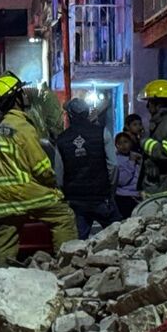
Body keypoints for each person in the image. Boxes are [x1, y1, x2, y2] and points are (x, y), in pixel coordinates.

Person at [0, 75, 77, 264]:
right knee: (63, 217)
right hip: (25, 193)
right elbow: (40, 166)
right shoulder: (21, 126)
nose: (25, 96)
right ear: (15, 97)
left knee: (5, 238)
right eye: (21, 92)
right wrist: (53, 184)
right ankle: (69, 268)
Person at [55, 97, 118, 239]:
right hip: (101, 197)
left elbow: (58, 176)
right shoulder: (102, 133)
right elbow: (113, 166)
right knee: (117, 237)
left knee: (78, 243)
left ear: (69, 115)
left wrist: (66, 196)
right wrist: (111, 191)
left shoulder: (62, 139)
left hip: (76, 201)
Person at [137, 80, 167, 196]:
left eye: (150, 102)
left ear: (159, 104)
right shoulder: (161, 122)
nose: (147, 106)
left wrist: (146, 142)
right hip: (160, 187)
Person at [113, 132, 142, 219]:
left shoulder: (135, 156)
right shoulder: (116, 160)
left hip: (137, 196)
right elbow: (122, 180)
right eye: (119, 143)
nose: (123, 146)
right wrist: (131, 162)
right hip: (124, 196)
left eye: (125, 142)